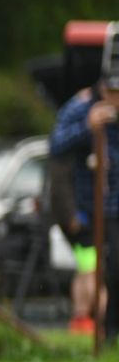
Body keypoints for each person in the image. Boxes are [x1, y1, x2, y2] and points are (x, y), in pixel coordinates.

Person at [48, 71, 119, 340]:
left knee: (99, 269)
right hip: (86, 210)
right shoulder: (80, 107)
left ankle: (94, 323)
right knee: (92, 268)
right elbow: (55, 145)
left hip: (112, 206)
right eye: (113, 93)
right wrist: (88, 126)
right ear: (103, 89)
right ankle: (89, 323)